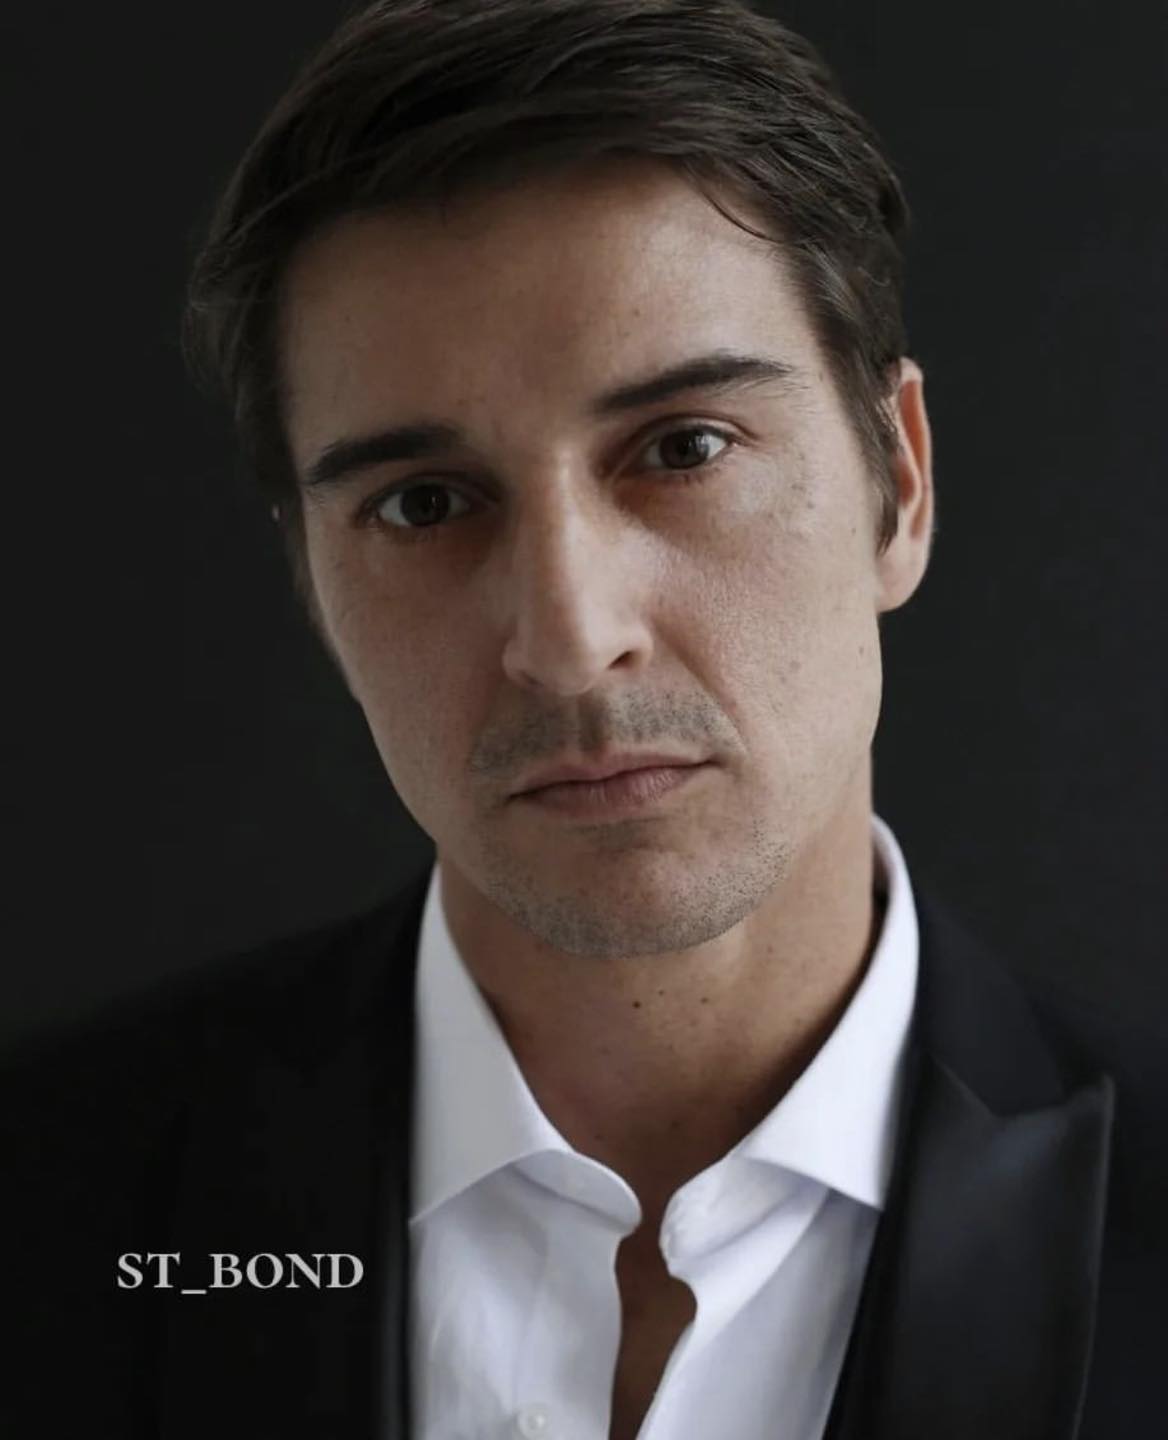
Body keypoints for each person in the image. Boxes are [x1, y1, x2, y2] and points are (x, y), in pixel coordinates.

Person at [4, 1, 1164, 1436]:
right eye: (424, 503)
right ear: (312, 582)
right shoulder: (46, 1211)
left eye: (685, 447)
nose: (566, 639)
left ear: (901, 485)